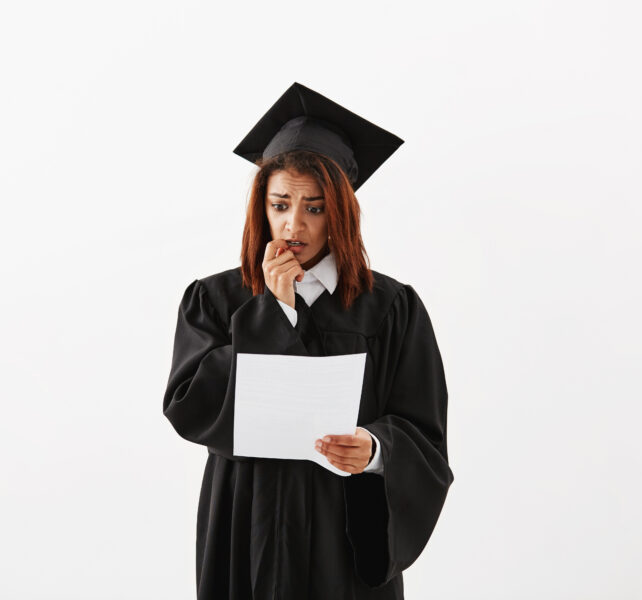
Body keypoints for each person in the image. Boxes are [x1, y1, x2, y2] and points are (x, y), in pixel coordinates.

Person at [163, 82, 454, 600]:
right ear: (262, 207)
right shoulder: (216, 299)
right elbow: (190, 408)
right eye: (279, 204)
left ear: (340, 210)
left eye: (314, 208)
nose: (293, 225)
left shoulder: (390, 308)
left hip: (342, 532)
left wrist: (375, 450)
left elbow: (423, 433)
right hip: (245, 525)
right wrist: (271, 313)